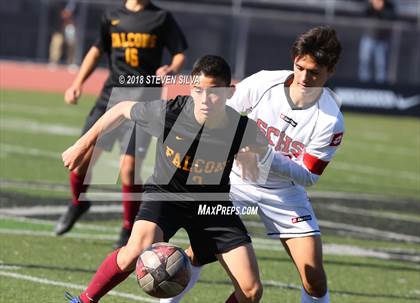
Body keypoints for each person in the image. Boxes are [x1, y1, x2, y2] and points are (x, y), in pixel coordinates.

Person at [62, 55, 268, 303]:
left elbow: (261, 147)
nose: (205, 99)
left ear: (229, 92)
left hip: (212, 205)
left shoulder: (242, 128)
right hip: (166, 195)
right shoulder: (170, 112)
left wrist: (250, 156)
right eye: (198, 90)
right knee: (133, 252)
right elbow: (119, 109)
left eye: (214, 92)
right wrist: (82, 145)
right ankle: (84, 301)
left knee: (251, 291)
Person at [162, 26, 344, 303]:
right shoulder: (264, 83)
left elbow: (308, 176)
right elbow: (221, 108)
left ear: (330, 71)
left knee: (314, 279)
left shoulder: (331, 120)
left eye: (314, 72)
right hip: (236, 182)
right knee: (199, 251)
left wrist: (264, 155)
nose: (304, 77)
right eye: (299, 67)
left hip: (283, 193)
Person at [55, 0, 188, 248]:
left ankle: (129, 228)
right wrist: (77, 83)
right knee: (81, 161)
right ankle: (78, 203)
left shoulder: (160, 17)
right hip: (110, 96)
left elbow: (180, 52)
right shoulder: (112, 15)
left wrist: (171, 68)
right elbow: (97, 50)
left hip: (144, 99)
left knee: (128, 167)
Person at [358, 0, 396, 83]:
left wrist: (380, 8)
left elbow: (391, 17)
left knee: (381, 65)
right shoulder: (368, 5)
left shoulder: (389, 6)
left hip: (381, 40)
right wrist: (373, 6)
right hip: (368, 38)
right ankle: (363, 84)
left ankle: (381, 86)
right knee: (364, 62)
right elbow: (363, 15)